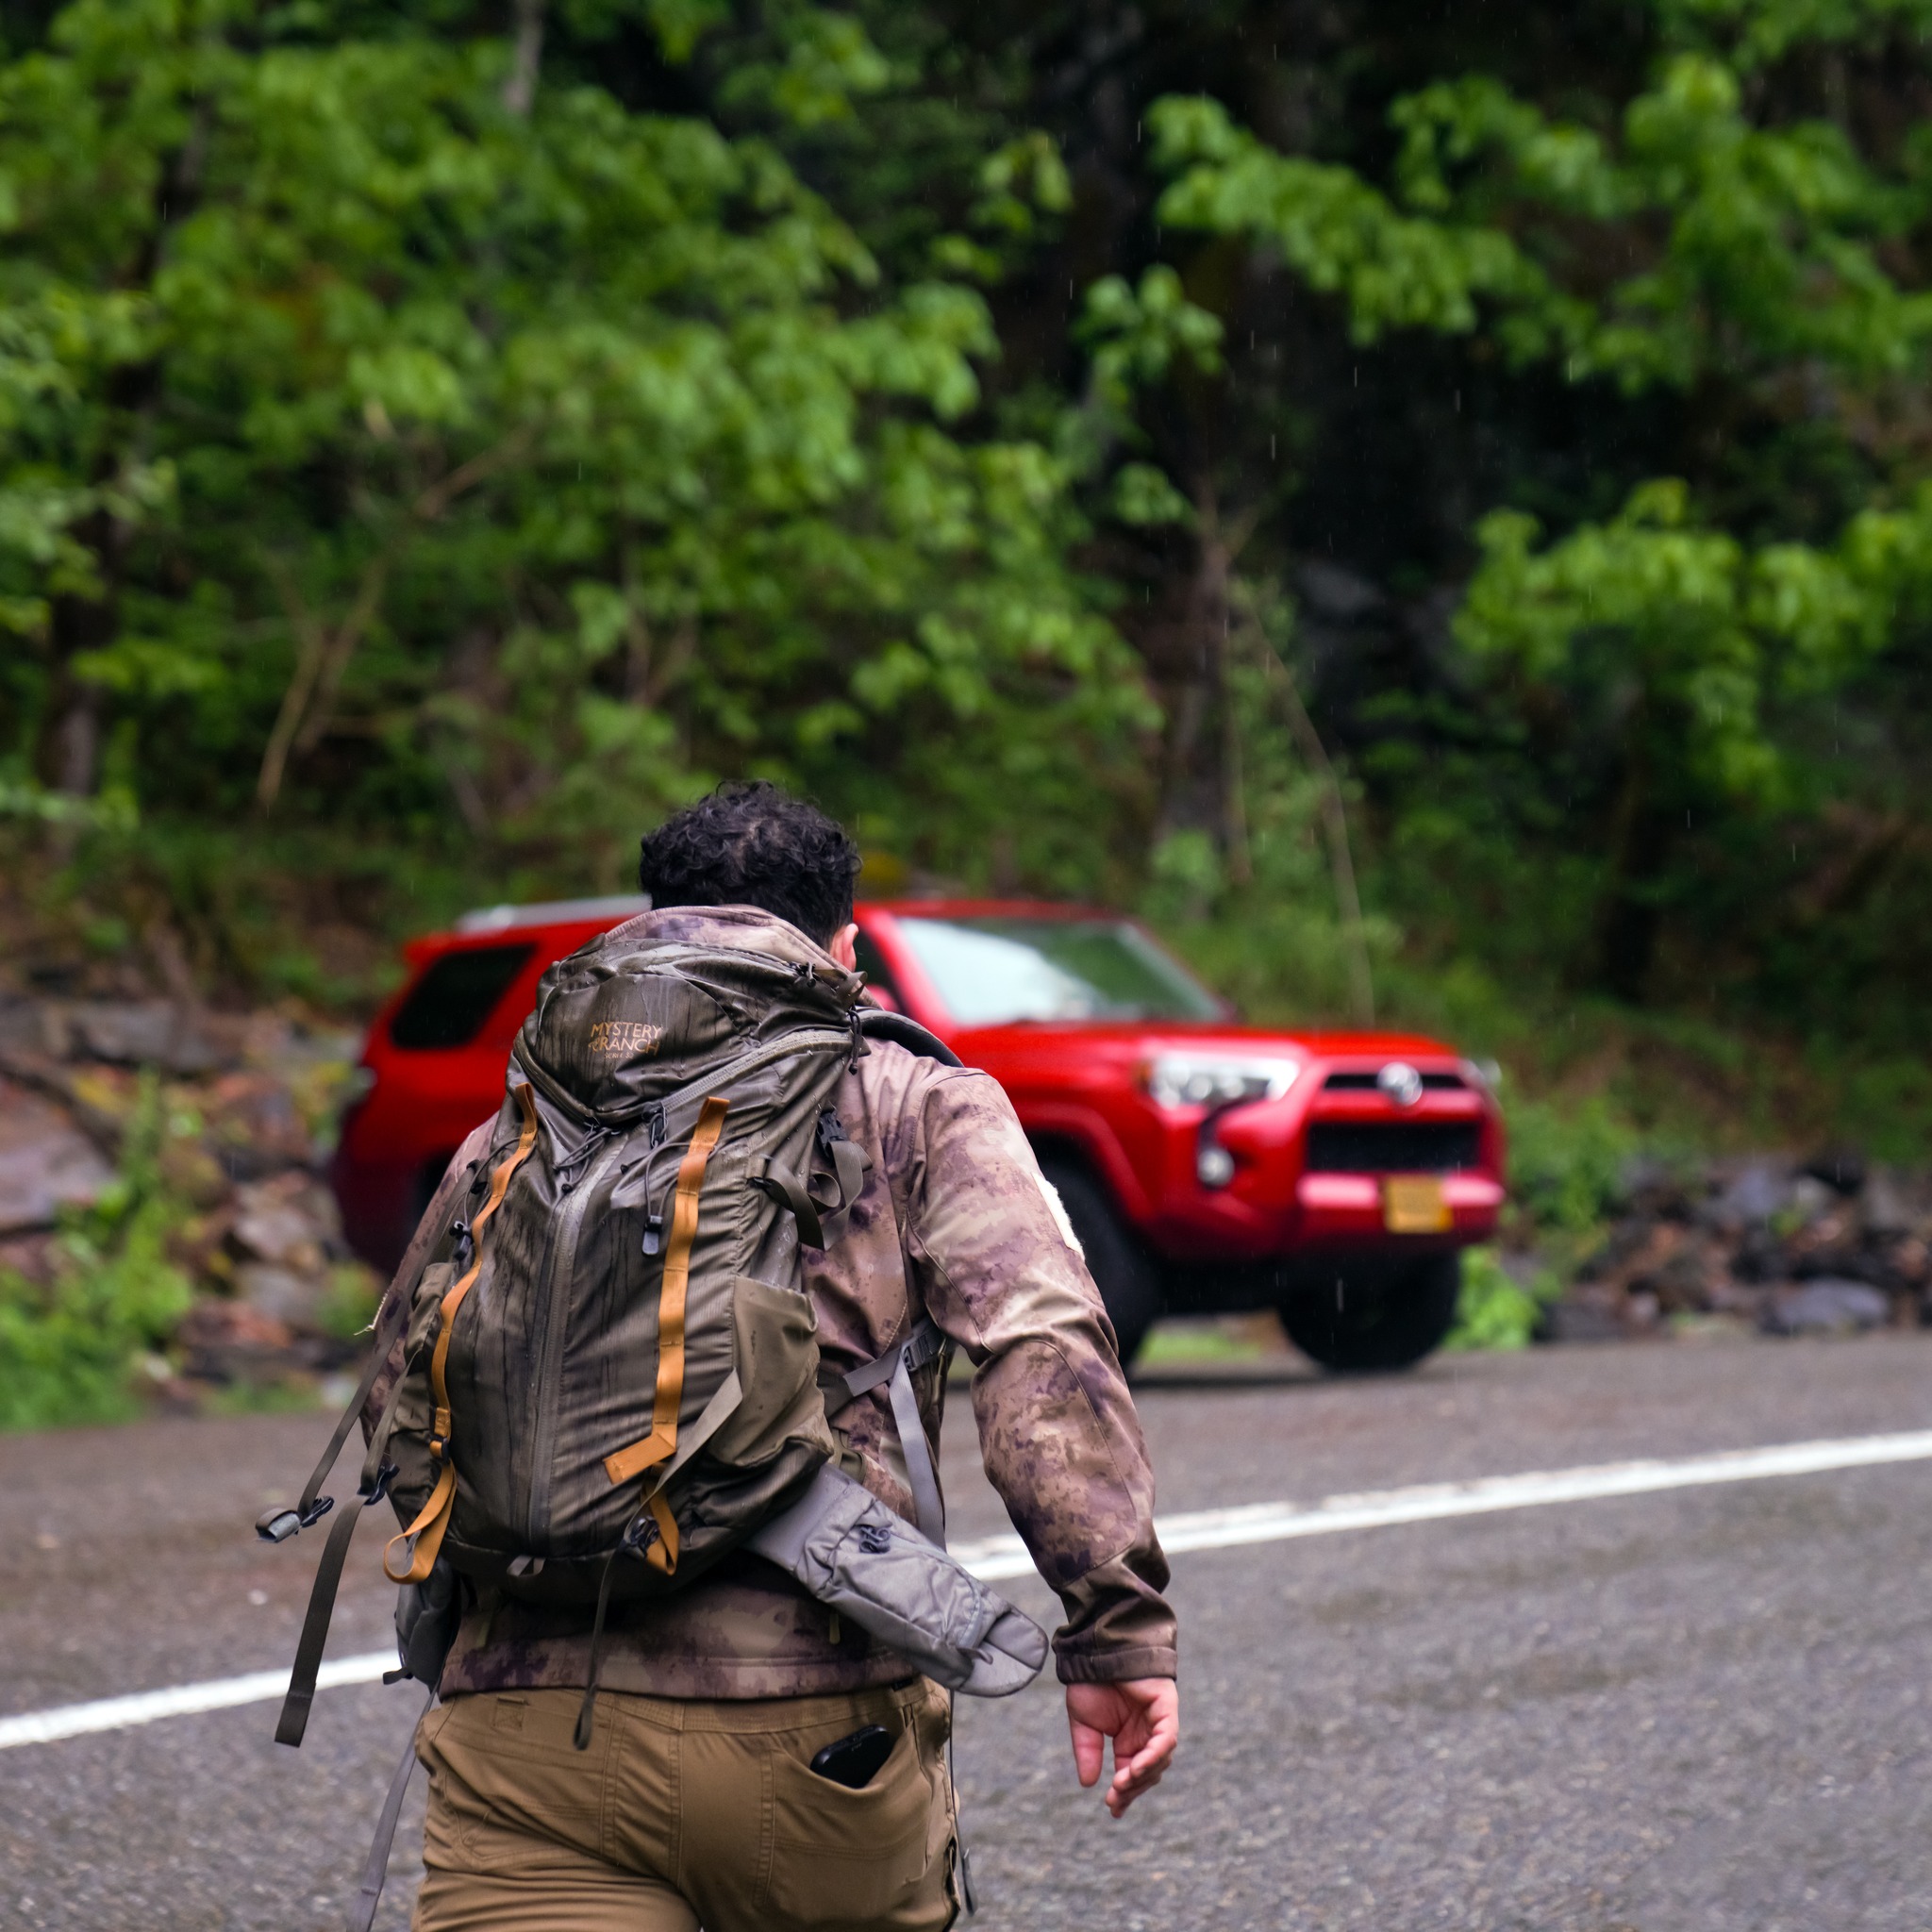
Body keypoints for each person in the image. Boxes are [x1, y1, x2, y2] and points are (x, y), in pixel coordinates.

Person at [390, 782, 1178, 1931]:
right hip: (807, 1727)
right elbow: (1042, 1353)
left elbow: (413, 1375)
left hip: (519, 1722)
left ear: (652, 924)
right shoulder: (914, 1097)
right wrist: (1114, 1627)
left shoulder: (528, 1113)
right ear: (846, 948)